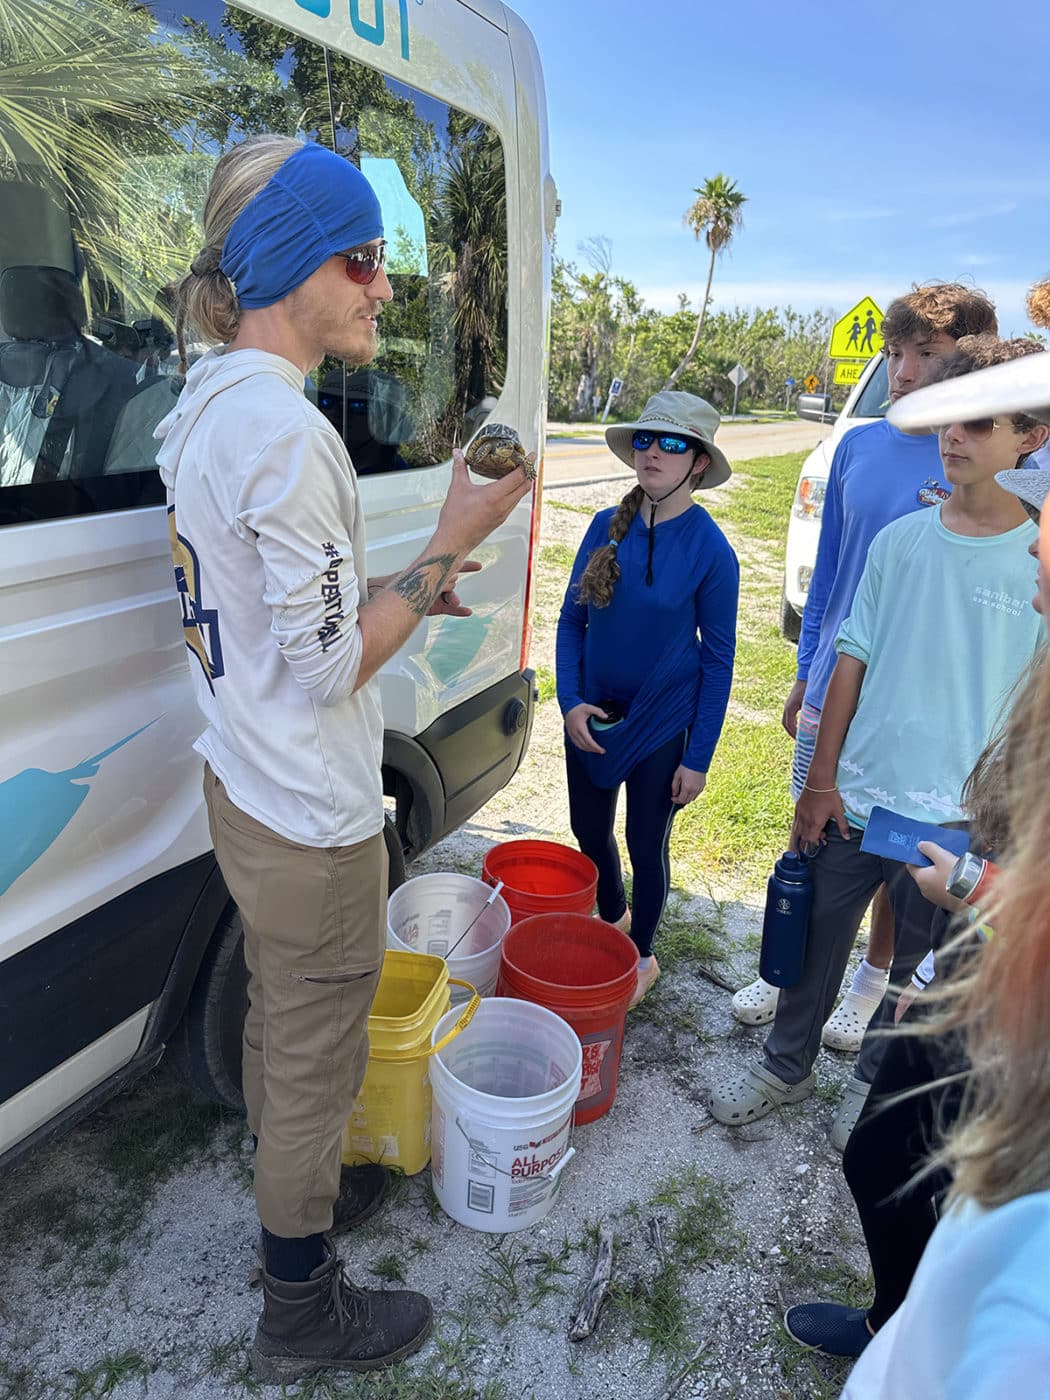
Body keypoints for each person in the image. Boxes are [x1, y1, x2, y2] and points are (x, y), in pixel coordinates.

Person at [156, 135, 531, 1384]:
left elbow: (278, 622)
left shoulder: (207, 401)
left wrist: (389, 586)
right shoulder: (283, 429)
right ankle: (300, 1305)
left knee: (281, 1017)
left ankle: (296, 1186)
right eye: (362, 257)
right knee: (316, 1053)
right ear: (281, 263)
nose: (384, 285)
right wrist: (445, 543)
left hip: (241, 774)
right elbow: (326, 669)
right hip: (309, 810)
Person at [710, 336, 1047, 1145]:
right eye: (945, 422)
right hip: (860, 794)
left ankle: (879, 1098)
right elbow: (850, 662)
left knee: (925, 975)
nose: (952, 438)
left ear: (1030, 436)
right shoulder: (902, 542)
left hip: (964, 817)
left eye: (978, 423)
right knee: (818, 935)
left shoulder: (1036, 561)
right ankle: (786, 1065)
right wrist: (819, 783)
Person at [784, 465, 1050, 1360]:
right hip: (987, 959)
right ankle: (897, 1326)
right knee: (897, 1156)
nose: (1038, 536)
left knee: (945, 1180)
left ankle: (920, 1340)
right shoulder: (918, 549)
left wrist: (975, 892)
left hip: (1015, 988)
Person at [732, 284, 998, 1052]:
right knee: (815, 830)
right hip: (836, 683)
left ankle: (871, 980)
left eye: (926, 355)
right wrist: (807, 668)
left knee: (898, 860)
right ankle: (787, 967)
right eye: (894, 354)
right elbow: (831, 573)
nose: (905, 371)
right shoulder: (856, 444)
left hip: (920, 711)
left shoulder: (983, 461)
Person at [555, 392, 739, 1007]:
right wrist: (571, 700)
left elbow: (717, 660)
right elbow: (569, 623)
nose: (655, 451)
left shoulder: (713, 551)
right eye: (646, 440)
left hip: (663, 722)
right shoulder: (605, 525)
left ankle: (642, 955)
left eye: (674, 443)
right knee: (588, 829)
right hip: (592, 712)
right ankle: (613, 917)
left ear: (699, 465)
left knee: (644, 843)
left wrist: (700, 757)